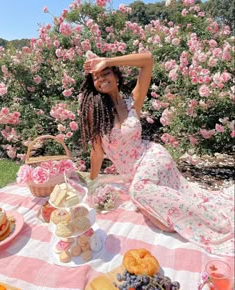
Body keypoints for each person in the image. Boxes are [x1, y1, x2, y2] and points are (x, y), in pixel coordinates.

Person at [79, 52, 234, 257]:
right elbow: (96, 152)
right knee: (159, 215)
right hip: (133, 172)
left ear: (116, 76)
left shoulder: (132, 101)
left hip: (152, 157)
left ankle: (217, 221)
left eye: (105, 73)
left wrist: (108, 61)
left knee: (140, 192)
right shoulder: (96, 112)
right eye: (95, 78)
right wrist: (91, 182)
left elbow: (148, 61)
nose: (100, 79)